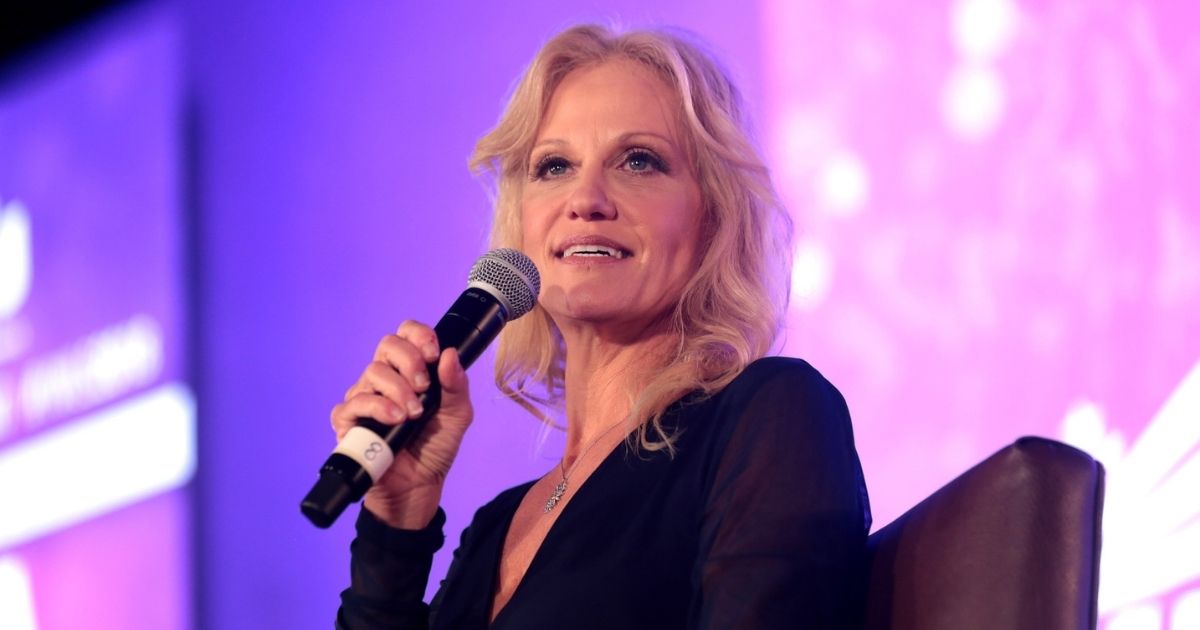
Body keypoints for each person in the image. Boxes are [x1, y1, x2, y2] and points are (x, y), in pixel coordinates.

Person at [332, 23, 871, 629]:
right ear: (523, 228)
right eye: (554, 166)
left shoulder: (769, 416)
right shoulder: (495, 527)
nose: (585, 198)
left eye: (639, 161)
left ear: (715, 218)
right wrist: (396, 524)